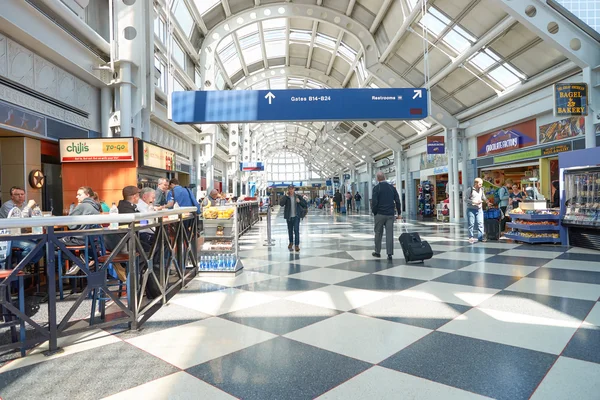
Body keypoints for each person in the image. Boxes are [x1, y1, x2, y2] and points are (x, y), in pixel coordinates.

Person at [0, 186, 42, 265]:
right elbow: (17, 222)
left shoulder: (24, 205)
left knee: (42, 245)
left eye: (22, 194)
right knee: (32, 247)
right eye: (17, 194)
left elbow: (32, 220)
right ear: (12, 196)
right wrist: (28, 206)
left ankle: (22, 266)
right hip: (8, 237)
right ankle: (18, 267)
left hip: (22, 236)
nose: (20, 196)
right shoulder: (7, 206)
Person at [64, 186, 101, 275]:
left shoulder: (82, 206)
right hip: (91, 240)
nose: (77, 197)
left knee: (51, 243)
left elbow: (70, 225)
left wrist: (73, 210)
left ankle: (78, 261)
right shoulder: (95, 207)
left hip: (80, 239)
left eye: (79, 194)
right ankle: (81, 258)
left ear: (87, 195)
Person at [371, 172, 401, 260]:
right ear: (384, 177)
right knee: (389, 234)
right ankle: (389, 253)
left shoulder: (376, 188)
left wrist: (374, 212)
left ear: (377, 179)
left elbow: (374, 202)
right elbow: (397, 201)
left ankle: (377, 252)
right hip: (390, 214)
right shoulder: (392, 188)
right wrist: (399, 213)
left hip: (380, 214)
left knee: (378, 233)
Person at [279, 184, 307, 252]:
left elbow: (305, 204)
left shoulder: (298, 196)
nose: (290, 190)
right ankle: (291, 243)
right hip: (289, 217)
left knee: (296, 230)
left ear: (294, 189)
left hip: (296, 216)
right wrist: (285, 196)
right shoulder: (286, 197)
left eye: (292, 189)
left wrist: (299, 201)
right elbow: (281, 204)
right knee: (290, 230)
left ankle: (296, 245)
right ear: (288, 189)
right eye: (289, 189)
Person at [465, 178, 490, 243]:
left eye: (481, 184)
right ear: (475, 183)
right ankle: (471, 237)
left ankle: (480, 238)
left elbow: (483, 197)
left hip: (479, 209)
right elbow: (465, 199)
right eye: (480, 184)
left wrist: (487, 202)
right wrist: (474, 202)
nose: (481, 185)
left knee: (480, 223)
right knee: (471, 224)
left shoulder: (481, 189)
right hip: (471, 209)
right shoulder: (470, 189)